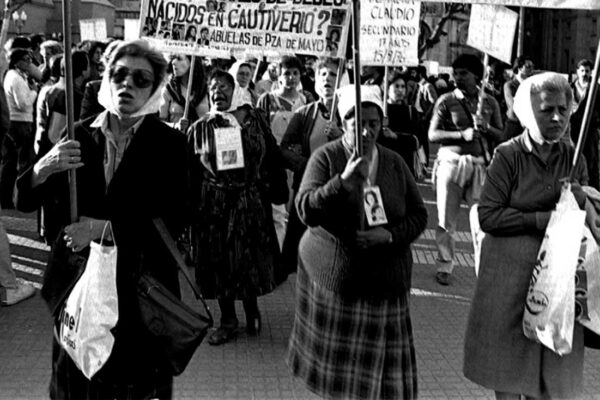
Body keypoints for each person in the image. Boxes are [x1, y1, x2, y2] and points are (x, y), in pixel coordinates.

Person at [14, 39, 189, 399]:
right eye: (119, 75)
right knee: (74, 390)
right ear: (106, 78)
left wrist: (102, 230)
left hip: (138, 299)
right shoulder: (78, 134)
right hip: (79, 293)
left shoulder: (170, 145)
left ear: (156, 88)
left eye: (141, 79)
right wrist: (43, 168)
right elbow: (23, 200)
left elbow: (178, 219)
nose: (127, 85)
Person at [287, 84, 427, 400]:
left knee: (380, 384)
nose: (366, 131)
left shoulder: (394, 162)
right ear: (343, 122)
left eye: (373, 123)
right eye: (358, 123)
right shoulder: (326, 157)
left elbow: (419, 215)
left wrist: (389, 235)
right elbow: (305, 210)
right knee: (340, 382)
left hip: (385, 282)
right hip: (340, 283)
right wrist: (342, 183)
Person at [463, 72, 587, 400]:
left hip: (556, 286)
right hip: (509, 283)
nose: (557, 117)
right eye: (547, 110)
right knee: (507, 375)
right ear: (529, 112)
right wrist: (542, 219)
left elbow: (585, 223)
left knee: (548, 382)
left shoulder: (574, 158)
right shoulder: (508, 155)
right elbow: (489, 216)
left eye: (563, 109)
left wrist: (581, 200)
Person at [188, 69, 288, 346]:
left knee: (247, 259)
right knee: (219, 261)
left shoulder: (253, 119)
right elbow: (190, 171)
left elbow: (271, 155)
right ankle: (228, 320)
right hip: (214, 205)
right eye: (213, 88)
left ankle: (251, 310)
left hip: (248, 201)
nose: (217, 92)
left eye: (224, 87)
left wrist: (278, 188)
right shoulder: (200, 128)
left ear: (235, 92)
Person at [429, 54, 504, 286]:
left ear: (477, 76)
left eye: (464, 74)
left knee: (482, 222)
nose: (458, 78)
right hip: (451, 164)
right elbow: (432, 134)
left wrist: (487, 128)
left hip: (479, 166)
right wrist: (462, 134)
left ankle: (483, 270)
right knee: (446, 220)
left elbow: (502, 135)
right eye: (456, 73)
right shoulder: (446, 100)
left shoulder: (490, 102)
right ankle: (444, 265)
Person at [279, 57, 343, 276]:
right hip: (308, 188)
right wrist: (307, 166)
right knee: (299, 249)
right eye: (323, 74)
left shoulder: (351, 114)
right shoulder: (304, 114)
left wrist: (341, 136)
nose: (328, 79)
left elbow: (364, 150)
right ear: (315, 79)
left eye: (333, 74)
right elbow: (284, 149)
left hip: (339, 191)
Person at [1, 48, 38, 209]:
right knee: (19, 162)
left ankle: (8, 197)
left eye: (30, 59)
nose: (29, 62)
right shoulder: (15, 78)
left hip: (18, 122)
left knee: (11, 161)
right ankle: (12, 198)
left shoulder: (17, 76)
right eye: (26, 59)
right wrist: (34, 92)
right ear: (16, 62)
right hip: (19, 123)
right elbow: (23, 104)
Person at [378, 72, 424, 177]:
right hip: (384, 165)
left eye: (403, 86)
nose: (400, 90)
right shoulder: (380, 110)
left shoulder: (411, 112)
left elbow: (418, 141)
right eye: (396, 86)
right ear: (387, 88)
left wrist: (395, 136)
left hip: (405, 165)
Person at [159, 54, 209, 132]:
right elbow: (160, 123)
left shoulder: (205, 89)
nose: (173, 62)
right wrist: (175, 125)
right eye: (173, 58)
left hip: (199, 137)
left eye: (179, 58)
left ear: (192, 62)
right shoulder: (168, 90)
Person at [570, 58, 600, 190]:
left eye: (587, 71)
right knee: (574, 158)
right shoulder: (570, 87)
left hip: (590, 129)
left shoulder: (596, 89)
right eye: (582, 71)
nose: (584, 74)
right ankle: (576, 187)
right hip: (574, 128)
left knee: (591, 161)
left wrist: (596, 121)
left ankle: (593, 190)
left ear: (591, 72)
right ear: (577, 71)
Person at [504, 55, 534, 121]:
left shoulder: (532, 85)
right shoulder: (509, 85)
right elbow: (512, 105)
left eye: (532, 67)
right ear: (519, 68)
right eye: (528, 66)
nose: (531, 69)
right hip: (514, 120)